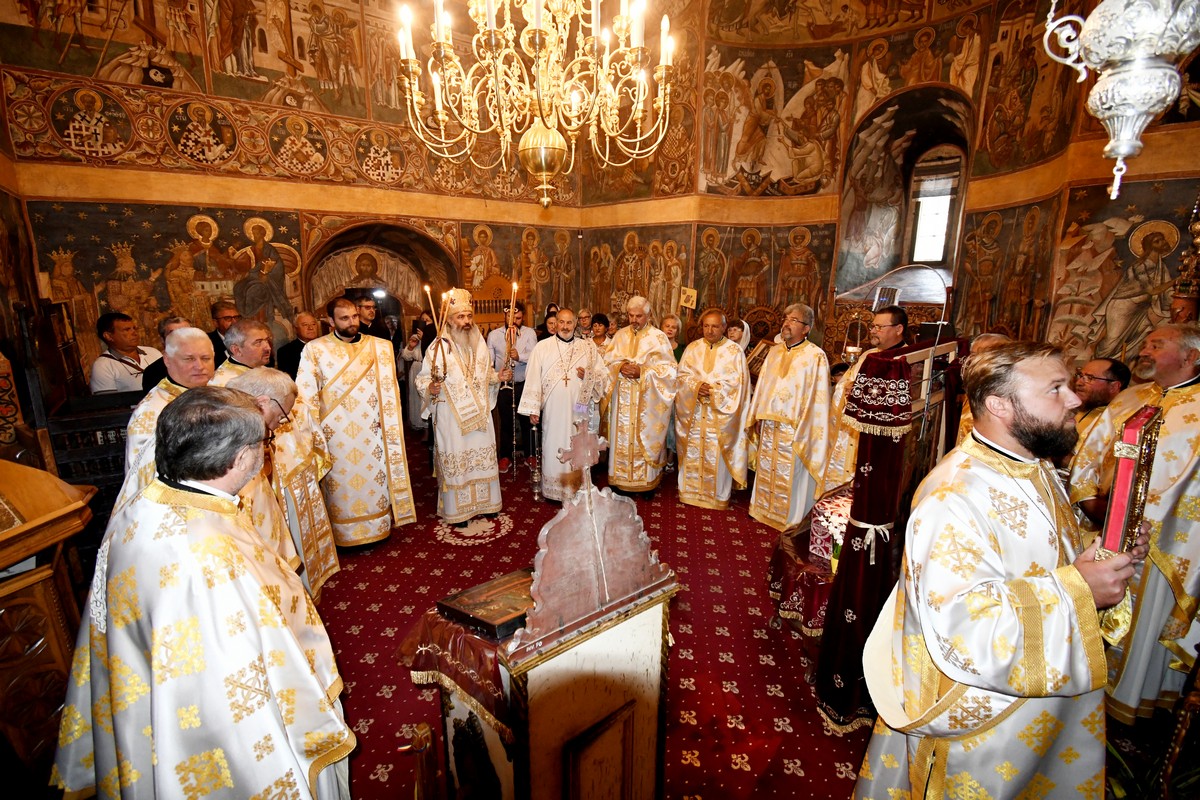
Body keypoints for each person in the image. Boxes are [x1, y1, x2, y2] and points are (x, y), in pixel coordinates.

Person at [854, 341, 1144, 800]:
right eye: (1056, 388)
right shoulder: (955, 496)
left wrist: (1104, 556)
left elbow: (1038, 555)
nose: (1074, 399)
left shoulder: (1033, 466)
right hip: (984, 720)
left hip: (1044, 697)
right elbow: (965, 629)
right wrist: (1078, 589)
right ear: (999, 404)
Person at [54, 388, 354, 800]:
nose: (266, 453)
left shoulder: (151, 502)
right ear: (239, 458)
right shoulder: (207, 558)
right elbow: (235, 685)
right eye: (263, 444)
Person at [1070, 323, 1200, 725]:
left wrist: (1147, 526)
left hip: (1168, 546)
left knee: (1145, 625)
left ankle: (1131, 708)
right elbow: (1089, 453)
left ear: (1191, 356)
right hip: (1101, 530)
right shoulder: (1130, 397)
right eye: (1145, 343)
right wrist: (1087, 498)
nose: (1144, 351)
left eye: (1156, 345)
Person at [296, 297, 416, 546]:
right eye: (344, 318)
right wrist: (314, 433)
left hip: (372, 432)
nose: (352, 322)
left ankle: (379, 527)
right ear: (330, 321)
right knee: (342, 486)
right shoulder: (315, 349)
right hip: (336, 434)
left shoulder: (379, 347)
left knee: (374, 481)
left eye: (354, 316)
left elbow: (390, 392)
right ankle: (345, 534)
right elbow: (305, 395)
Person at [229, 367, 340, 604]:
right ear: (262, 402)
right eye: (282, 414)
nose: (285, 421)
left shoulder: (247, 426)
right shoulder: (232, 441)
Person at [416, 289, 511, 524]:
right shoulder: (437, 347)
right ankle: (459, 511)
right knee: (458, 458)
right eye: (461, 317)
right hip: (452, 415)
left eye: (469, 316)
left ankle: (487, 503)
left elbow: (482, 375)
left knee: (482, 458)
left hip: (478, 415)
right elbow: (423, 379)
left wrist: (497, 377)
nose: (467, 322)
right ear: (449, 319)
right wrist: (430, 388)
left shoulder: (478, 343)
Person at [746, 304, 831, 529]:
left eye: (794, 320)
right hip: (769, 424)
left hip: (795, 428)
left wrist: (804, 427)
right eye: (786, 318)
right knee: (767, 469)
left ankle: (789, 519)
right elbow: (763, 385)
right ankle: (763, 509)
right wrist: (756, 417)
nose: (786, 323)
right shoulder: (774, 352)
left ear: (806, 328)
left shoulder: (815, 356)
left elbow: (818, 397)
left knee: (790, 473)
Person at [114, 327, 215, 511]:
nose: (200, 366)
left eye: (206, 358)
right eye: (189, 359)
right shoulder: (152, 411)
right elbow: (147, 475)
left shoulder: (214, 394)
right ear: (167, 360)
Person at [519, 309, 610, 501]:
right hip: (553, 408)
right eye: (561, 322)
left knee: (578, 441)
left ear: (575, 323)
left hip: (580, 407)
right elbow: (532, 377)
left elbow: (603, 375)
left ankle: (577, 488)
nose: (565, 327)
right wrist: (533, 408)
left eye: (569, 323)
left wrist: (588, 376)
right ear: (555, 323)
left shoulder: (588, 348)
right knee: (553, 442)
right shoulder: (542, 348)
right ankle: (554, 491)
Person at [820, 305, 908, 496]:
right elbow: (846, 385)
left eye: (879, 327)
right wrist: (848, 388)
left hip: (879, 441)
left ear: (898, 329)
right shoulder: (868, 355)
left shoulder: (907, 359)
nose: (874, 331)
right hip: (852, 431)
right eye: (873, 326)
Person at [675, 310, 751, 509]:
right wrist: (695, 387)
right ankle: (689, 491)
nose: (709, 330)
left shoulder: (734, 352)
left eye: (715, 326)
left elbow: (739, 384)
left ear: (724, 328)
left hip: (720, 417)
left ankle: (717, 495)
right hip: (695, 411)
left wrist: (716, 390)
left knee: (715, 451)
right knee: (693, 449)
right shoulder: (692, 348)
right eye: (706, 326)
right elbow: (681, 376)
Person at [602, 296, 678, 494]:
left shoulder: (658, 338)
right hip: (622, 399)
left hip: (647, 400)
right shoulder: (619, 335)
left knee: (644, 436)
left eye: (639, 316)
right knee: (622, 437)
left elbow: (669, 371)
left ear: (649, 315)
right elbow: (607, 362)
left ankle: (646, 484)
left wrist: (642, 372)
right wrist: (619, 366)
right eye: (631, 315)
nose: (634, 320)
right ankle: (620, 480)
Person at [486, 301, 536, 473]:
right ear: (505, 315)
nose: (514, 321)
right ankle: (505, 456)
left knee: (526, 421)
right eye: (510, 317)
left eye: (518, 318)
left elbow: (534, 356)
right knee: (506, 422)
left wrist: (519, 356)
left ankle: (531, 455)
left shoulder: (529, 333)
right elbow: (489, 362)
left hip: (523, 383)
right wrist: (496, 374)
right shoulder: (494, 335)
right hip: (504, 385)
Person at [1065, 356, 1129, 475]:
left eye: (1090, 378)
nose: (1079, 383)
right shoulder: (1076, 409)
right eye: (1080, 375)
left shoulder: (1120, 422)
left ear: (1114, 387)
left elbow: (1108, 472)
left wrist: (1064, 459)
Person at [90, 312, 161, 394]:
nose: (134, 333)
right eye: (127, 330)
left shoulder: (153, 352)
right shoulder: (103, 366)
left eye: (134, 328)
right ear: (108, 336)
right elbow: (108, 403)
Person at [211, 318, 274, 385]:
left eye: (266, 340)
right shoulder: (226, 383)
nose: (268, 348)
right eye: (258, 343)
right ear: (237, 350)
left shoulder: (259, 368)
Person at [140, 315, 190, 391]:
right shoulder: (153, 372)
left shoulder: (208, 361)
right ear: (162, 340)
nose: (181, 338)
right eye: (173, 334)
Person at [277, 311, 322, 378]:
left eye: (313, 324)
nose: (310, 328)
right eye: (305, 325)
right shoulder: (285, 352)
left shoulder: (327, 346)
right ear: (296, 329)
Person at [399, 331, 427, 431]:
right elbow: (406, 356)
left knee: (425, 397)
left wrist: (424, 339)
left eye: (427, 320)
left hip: (426, 368)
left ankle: (426, 424)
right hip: (416, 368)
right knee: (415, 395)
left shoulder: (431, 336)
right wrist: (411, 346)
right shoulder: (415, 337)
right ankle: (417, 422)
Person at [209, 298, 241, 367]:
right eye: (227, 318)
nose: (234, 322)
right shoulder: (207, 342)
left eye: (236, 317)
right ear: (215, 323)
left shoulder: (248, 338)